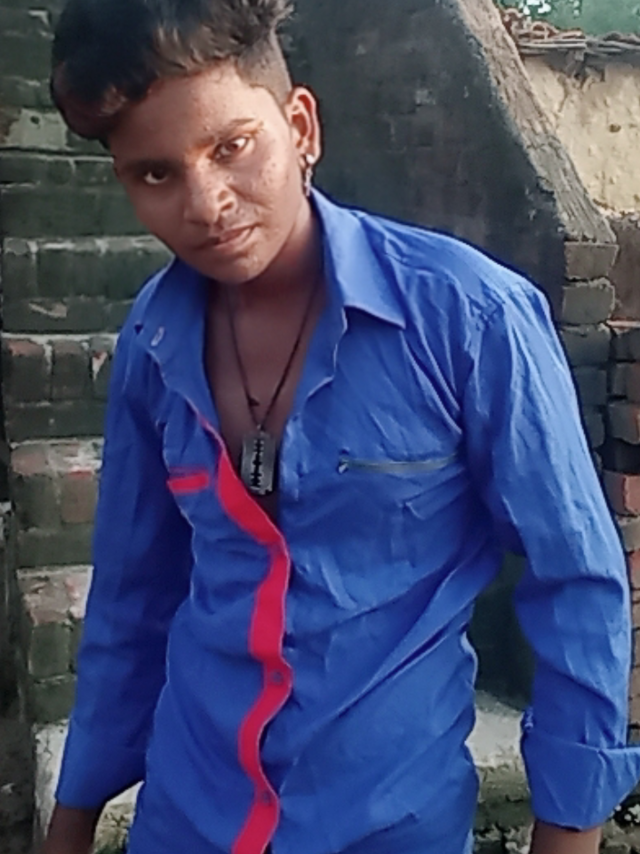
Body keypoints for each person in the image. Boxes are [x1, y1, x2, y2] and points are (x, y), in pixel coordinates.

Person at [42, 1, 640, 852]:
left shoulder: (469, 320)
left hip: (385, 822)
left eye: (231, 147)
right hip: (189, 815)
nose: (206, 203)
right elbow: (133, 597)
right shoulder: (154, 340)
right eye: (156, 174)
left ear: (300, 127)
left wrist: (569, 830)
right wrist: (71, 823)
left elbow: (574, 579)